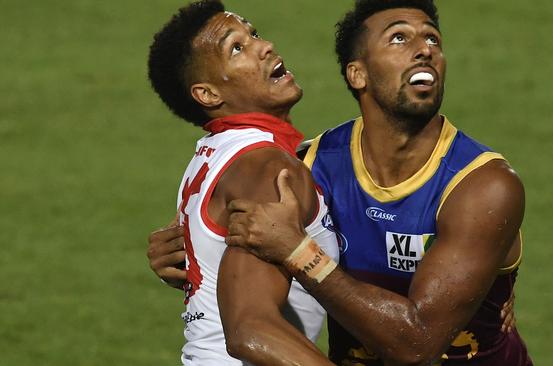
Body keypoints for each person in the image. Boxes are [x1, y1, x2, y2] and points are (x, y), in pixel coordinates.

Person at [148, 0, 526, 365]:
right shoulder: (306, 168)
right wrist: (193, 248)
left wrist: (299, 253)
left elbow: (418, 343)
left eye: (433, 39)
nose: (423, 49)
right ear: (357, 73)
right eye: (398, 38)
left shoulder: (481, 186)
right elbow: (249, 323)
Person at [146, 1, 339, 364]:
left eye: (252, 34)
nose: (264, 46)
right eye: (236, 48)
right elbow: (251, 331)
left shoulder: (212, 153)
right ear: (208, 95)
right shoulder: (265, 169)